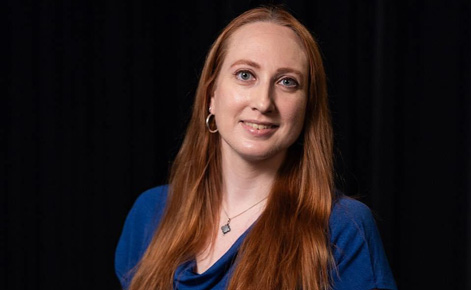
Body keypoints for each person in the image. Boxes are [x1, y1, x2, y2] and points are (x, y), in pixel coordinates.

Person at [115, 6, 397, 290]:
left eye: (287, 82)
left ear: (307, 107)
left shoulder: (342, 229)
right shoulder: (150, 214)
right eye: (245, 75)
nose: (263, 103)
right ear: (211, 94)